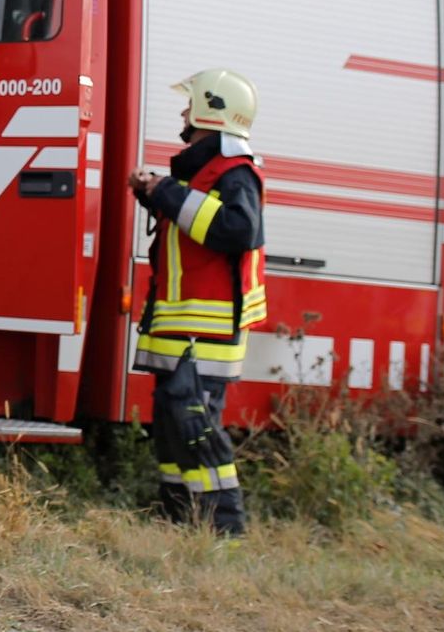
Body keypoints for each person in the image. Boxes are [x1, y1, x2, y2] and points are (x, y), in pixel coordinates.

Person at [129, 67, 265, 537]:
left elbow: (238, 231)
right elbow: (196, 234)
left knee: (196, 429)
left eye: (191, 105)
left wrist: (166, 191)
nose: (184, 113)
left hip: (204, 336)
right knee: (173, 427)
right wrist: (156, 196)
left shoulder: (235, 172)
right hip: (185, 332)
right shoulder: (205, 172)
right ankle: (179, 520)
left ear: (212, 111)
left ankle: (225, 532)